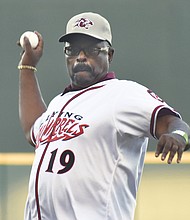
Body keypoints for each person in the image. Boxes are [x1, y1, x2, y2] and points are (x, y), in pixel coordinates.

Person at [17, 12, 190, 220]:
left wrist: (179, 135)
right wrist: (28, 67)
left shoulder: (123, 93)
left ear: (109, 54)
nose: (80, 56)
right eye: (72, 50)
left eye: (91, 49)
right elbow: (32, 129)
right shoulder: (58, 103)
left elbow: (173, 123)